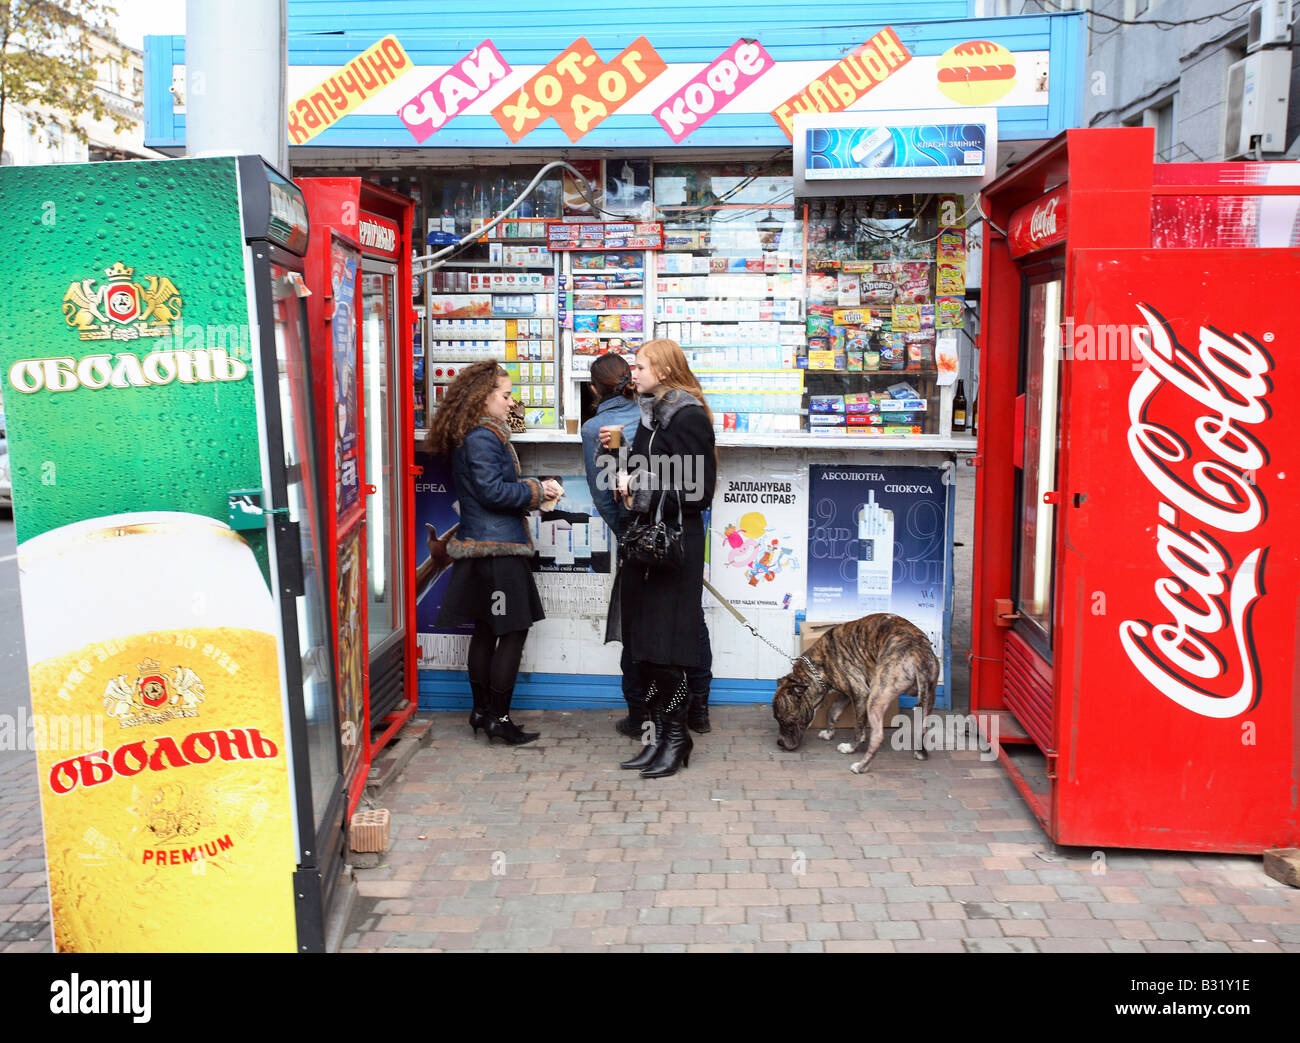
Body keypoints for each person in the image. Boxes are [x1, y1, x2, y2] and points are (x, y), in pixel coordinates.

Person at [425, 360, 562, 746]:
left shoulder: (475, 432)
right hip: (499, 551)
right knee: (513, 630)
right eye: (505, 394)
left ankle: (481, 711)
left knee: (486, 629)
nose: (510, 400)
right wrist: (538, 491)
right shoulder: (483, 437)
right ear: (483, 398)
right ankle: (498, 718)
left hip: (480, 547)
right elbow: (492, 492)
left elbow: (490, 482)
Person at [586, 355, 715, 739]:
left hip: (669, 541)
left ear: (664, 370)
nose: (633, 373)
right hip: (648, 539)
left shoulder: (686, 416)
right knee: (654, 644)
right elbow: (648, 469)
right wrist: (620, 456)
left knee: (669, 642)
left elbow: (697, 489)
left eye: (640, 366)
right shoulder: (652, 415)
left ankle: (674, 734)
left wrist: (637, 487)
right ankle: (662, 730)